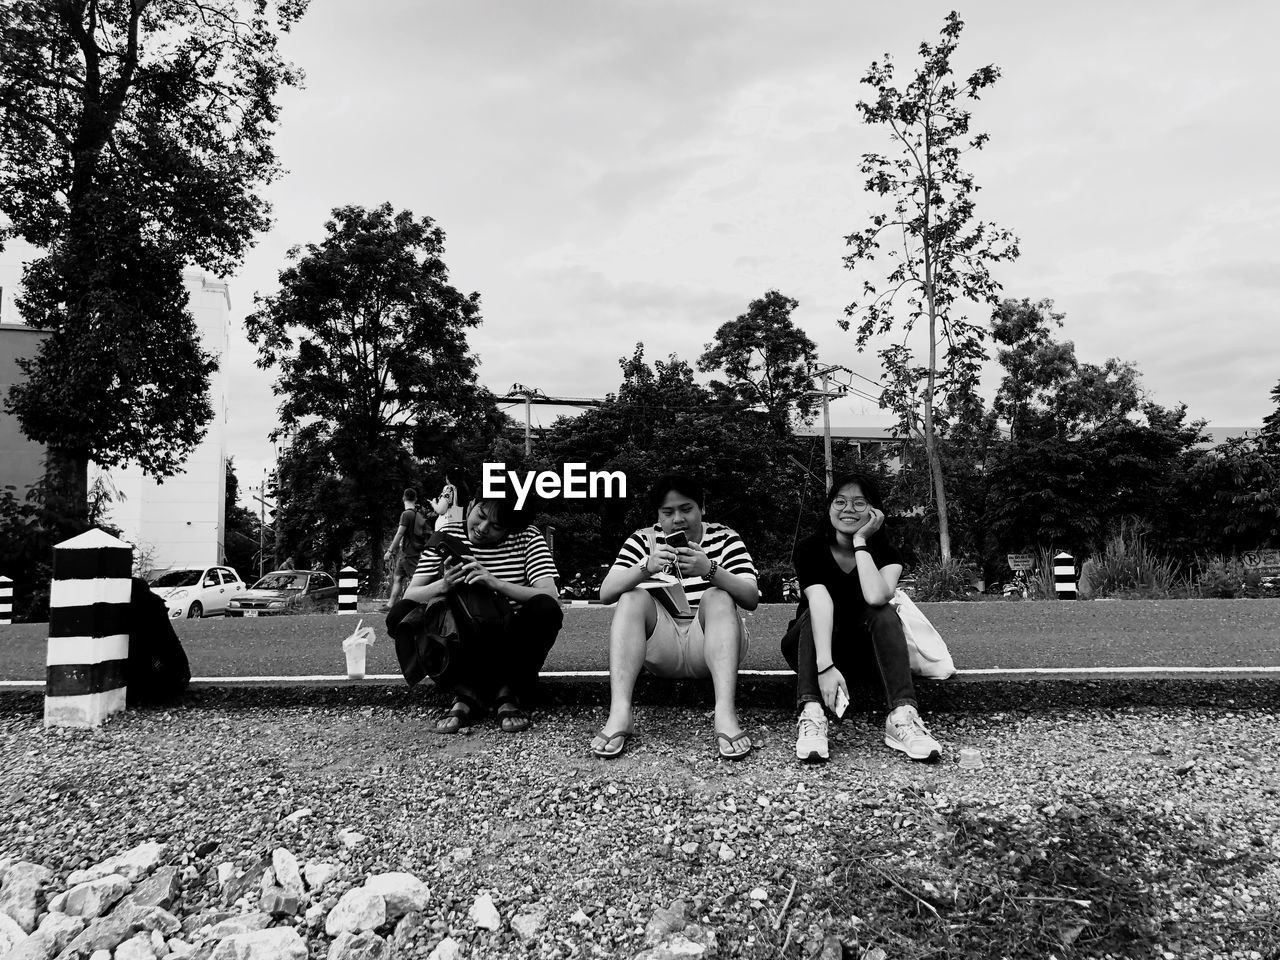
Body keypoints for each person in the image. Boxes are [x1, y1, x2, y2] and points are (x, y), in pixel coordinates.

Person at [593, 475, 759, 760]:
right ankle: (620, 712)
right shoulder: (643, 540)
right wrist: (645, 567)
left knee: (718, 596)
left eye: (686, 509)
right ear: (658, 515)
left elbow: (751, 597)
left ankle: (725, 714)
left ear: (702, 508)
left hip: (710, 643)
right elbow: (606, 593)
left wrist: (710, 570)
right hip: (663, 646)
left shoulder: (726, 537)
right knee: (631, 597)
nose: (678, 519)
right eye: (668, 512)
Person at [781, 472, 942, 763]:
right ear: (829, 507)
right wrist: (825, 666)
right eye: (840, 502)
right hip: (812, 649)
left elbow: (876, 597)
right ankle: (812, 712)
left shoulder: (888, 553)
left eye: (858, 503)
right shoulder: (810, 548)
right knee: (810, 614)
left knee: (883, 611)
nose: (848, 510)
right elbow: (819, 601)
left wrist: (860, 542)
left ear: (874, 512)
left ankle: (902, 715)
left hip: (865, 652)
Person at [389, 493, 563, 733]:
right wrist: (444, 584)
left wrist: (495, 583)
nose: (482, 529)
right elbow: (411, 594)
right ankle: (464, 692)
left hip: (509, 635)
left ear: (510, 529)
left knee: (546, 610)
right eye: (480, 516)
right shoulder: (446, 535)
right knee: (400, 615)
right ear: (472, 505)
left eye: (496, 526)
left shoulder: (528, 537)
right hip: (461, 635)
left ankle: (508, 691)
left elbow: (550, 596)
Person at [384, 488, 430, 606]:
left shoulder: (406, 514)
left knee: (417, 579)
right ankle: (390, 605)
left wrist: (389, 551)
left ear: (403, 498)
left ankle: (420, 603)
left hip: (411, 553)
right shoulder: (417, 513)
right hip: (406, 553)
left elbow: (400, 533)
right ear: (415, 499)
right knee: (398, 577)